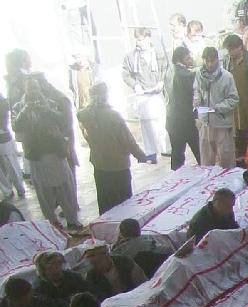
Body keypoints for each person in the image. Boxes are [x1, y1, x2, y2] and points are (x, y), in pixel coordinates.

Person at [13, 77, 81, 230]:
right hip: (36, 157)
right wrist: (26, 109)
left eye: (35, 88)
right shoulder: (19, 107)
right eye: (30, 88)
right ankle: (52, 222)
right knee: (44, 193)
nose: (33, 91)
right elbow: (16, 126)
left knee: (66, 188)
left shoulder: (49, 103)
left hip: (56, 154)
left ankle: (72, 219)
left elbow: (62, 121)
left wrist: (46, 109)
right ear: (25, 90)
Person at [78, 82, 148, 215]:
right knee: (124, 204)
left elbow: (87, 138)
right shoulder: (113, 116)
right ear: (106, 96)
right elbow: (128, 141)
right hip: (118, 165)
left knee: (105, 203)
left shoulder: (84, 116)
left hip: (100, 164)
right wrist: (141, 156)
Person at [122, 28, 167, 164]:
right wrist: (135, 85)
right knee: (146, 124)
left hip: (157, 92)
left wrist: (161, 81)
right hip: (142, 94)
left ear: (148, 38)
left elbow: (165, 68)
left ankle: (166, 148)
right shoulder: (131, 56)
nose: (138, 42)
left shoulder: (158, 53)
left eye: (141, 39)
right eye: (137, 39)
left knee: (161, 123)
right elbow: (125, 74)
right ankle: (151, 153)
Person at [222, 34, 248, 169]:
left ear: (240, 47)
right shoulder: (227, 62)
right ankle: (240, 162)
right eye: (228, 50)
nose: (229, 53)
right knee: (239, 136)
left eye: (231, 49)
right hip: (237, 108)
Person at [194, 47, 239, 169]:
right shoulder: (199, 74)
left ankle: (228, 184)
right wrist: (197, 99)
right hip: (205, 123)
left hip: (222, 123)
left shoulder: (227, 76)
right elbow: (196, 90)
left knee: (226, 159)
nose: (209, 64)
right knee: (206, 160)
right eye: (206, 61)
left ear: (217, 60)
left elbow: (234, 99)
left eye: (212, 61)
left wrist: (218, 108)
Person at [165, 46, 200, 170]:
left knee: (177, 153)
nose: (190, 59)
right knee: (199, 149)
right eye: (188, 57)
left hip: (171, 118)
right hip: (184, 120)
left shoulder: (169, 71)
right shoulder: (185, 75)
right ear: (181, 59)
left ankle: (176, 179)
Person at [0, 93, 25, 198]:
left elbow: (4, 119)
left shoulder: (2, 101)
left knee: (11, 164)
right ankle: (7, 191)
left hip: (3, 135)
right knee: (7, 167)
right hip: (4, 135)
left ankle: (19, 188)